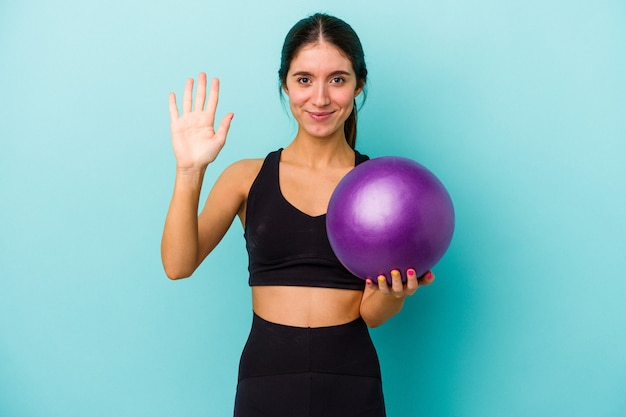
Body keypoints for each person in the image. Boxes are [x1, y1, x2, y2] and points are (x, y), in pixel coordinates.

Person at [161, 12, 435, 417]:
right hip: (266, 378)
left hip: (351, 379)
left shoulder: (381, 190)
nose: (320, 98)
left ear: (359, 84)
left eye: (337, 79)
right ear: (285, 84)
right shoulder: (245, 177)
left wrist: (393, 295)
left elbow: (372, 315)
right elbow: (178, 265)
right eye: (304, 79)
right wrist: (189, 170)